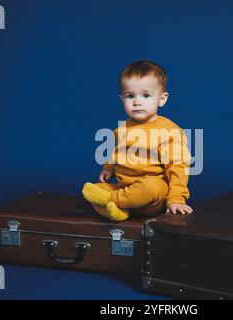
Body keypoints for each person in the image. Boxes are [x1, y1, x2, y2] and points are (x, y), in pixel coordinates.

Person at [82, 60, 193, 222]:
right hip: (125, 188)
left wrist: (176, 198)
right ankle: (119, 211)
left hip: (151, 199)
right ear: (122, 99)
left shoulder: (169, 131)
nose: (137, 102)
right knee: (94, 189)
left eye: (146, 95)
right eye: (130, 96)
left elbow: (178, 167)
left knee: (153, 186)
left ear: (162, 99)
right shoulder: (122, 130)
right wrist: (109, 168)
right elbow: (119, 153)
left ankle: (111, 200)